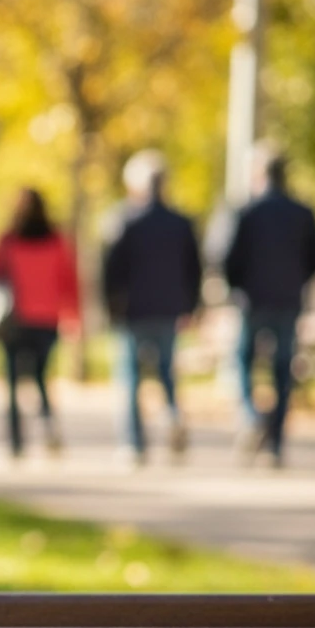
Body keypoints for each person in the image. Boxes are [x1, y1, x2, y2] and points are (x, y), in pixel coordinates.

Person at [222, 151, 315, 466]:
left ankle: (252, 417)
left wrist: (237, 288)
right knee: (282, 372)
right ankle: (276, 445)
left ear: (259, 174)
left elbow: (229, 258)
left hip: (253, 300)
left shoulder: (246, 212)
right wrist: (296, 282)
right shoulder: (303, 213)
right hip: (287, 300)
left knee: (242, 361)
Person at [104, 150, 203, 465]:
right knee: (166, 371)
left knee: (131, 376)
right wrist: (191, 305)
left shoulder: (124, 220)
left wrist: (109, 307)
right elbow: (194, 269)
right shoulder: (181, 223)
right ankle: (172, 415)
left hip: (134, 309)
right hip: (169, 308)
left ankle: (134, 444)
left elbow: (110, 270)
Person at [0, 188, 80, 459]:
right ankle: (47, 427)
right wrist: (73, 315)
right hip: (46, 318)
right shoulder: (56, 240)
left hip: (15, 319)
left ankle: (16, 442)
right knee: (41, 379)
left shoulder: (8, 240)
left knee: (12, 382)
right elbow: (69, 280)